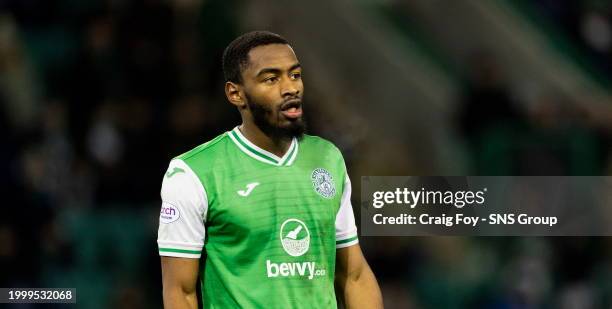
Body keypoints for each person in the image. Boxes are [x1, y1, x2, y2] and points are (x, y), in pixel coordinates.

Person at [158, 31, 383, 308]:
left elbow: (354, 276)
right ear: (235, 93)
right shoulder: (193, 173)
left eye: (295, 75)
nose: (290, 88)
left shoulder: (327, 158)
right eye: (271, 79)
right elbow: (180, 292)